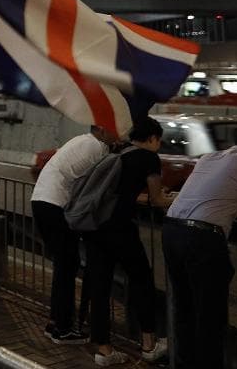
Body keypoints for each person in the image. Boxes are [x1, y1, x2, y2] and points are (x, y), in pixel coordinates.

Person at [163, 122, 237, 369]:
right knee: (211, 314)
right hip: (202, 240)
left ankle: (184, 363)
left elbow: (209, 198)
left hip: (172, 230)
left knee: (184, 307)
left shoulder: (209, 158)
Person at [83, 117, 173, 366]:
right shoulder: (148, 158)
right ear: (153, 138)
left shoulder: (118, 152)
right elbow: (157, 199)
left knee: (100, 287)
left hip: (96, 225)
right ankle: (149, 344)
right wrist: (174, 200)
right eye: (159, 140)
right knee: (142, 280)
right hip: (120, 229)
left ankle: (104, 351)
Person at [30, 125, 120, 343]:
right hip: (56, 205)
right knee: (67, 266)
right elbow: (98, 185)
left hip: (41, 200)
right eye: (114, 130)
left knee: (63, 265)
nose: (117, 134)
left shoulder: (80, 140)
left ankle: (55, 321)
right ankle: (63, 328)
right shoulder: (97, 147)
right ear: (101, 129)